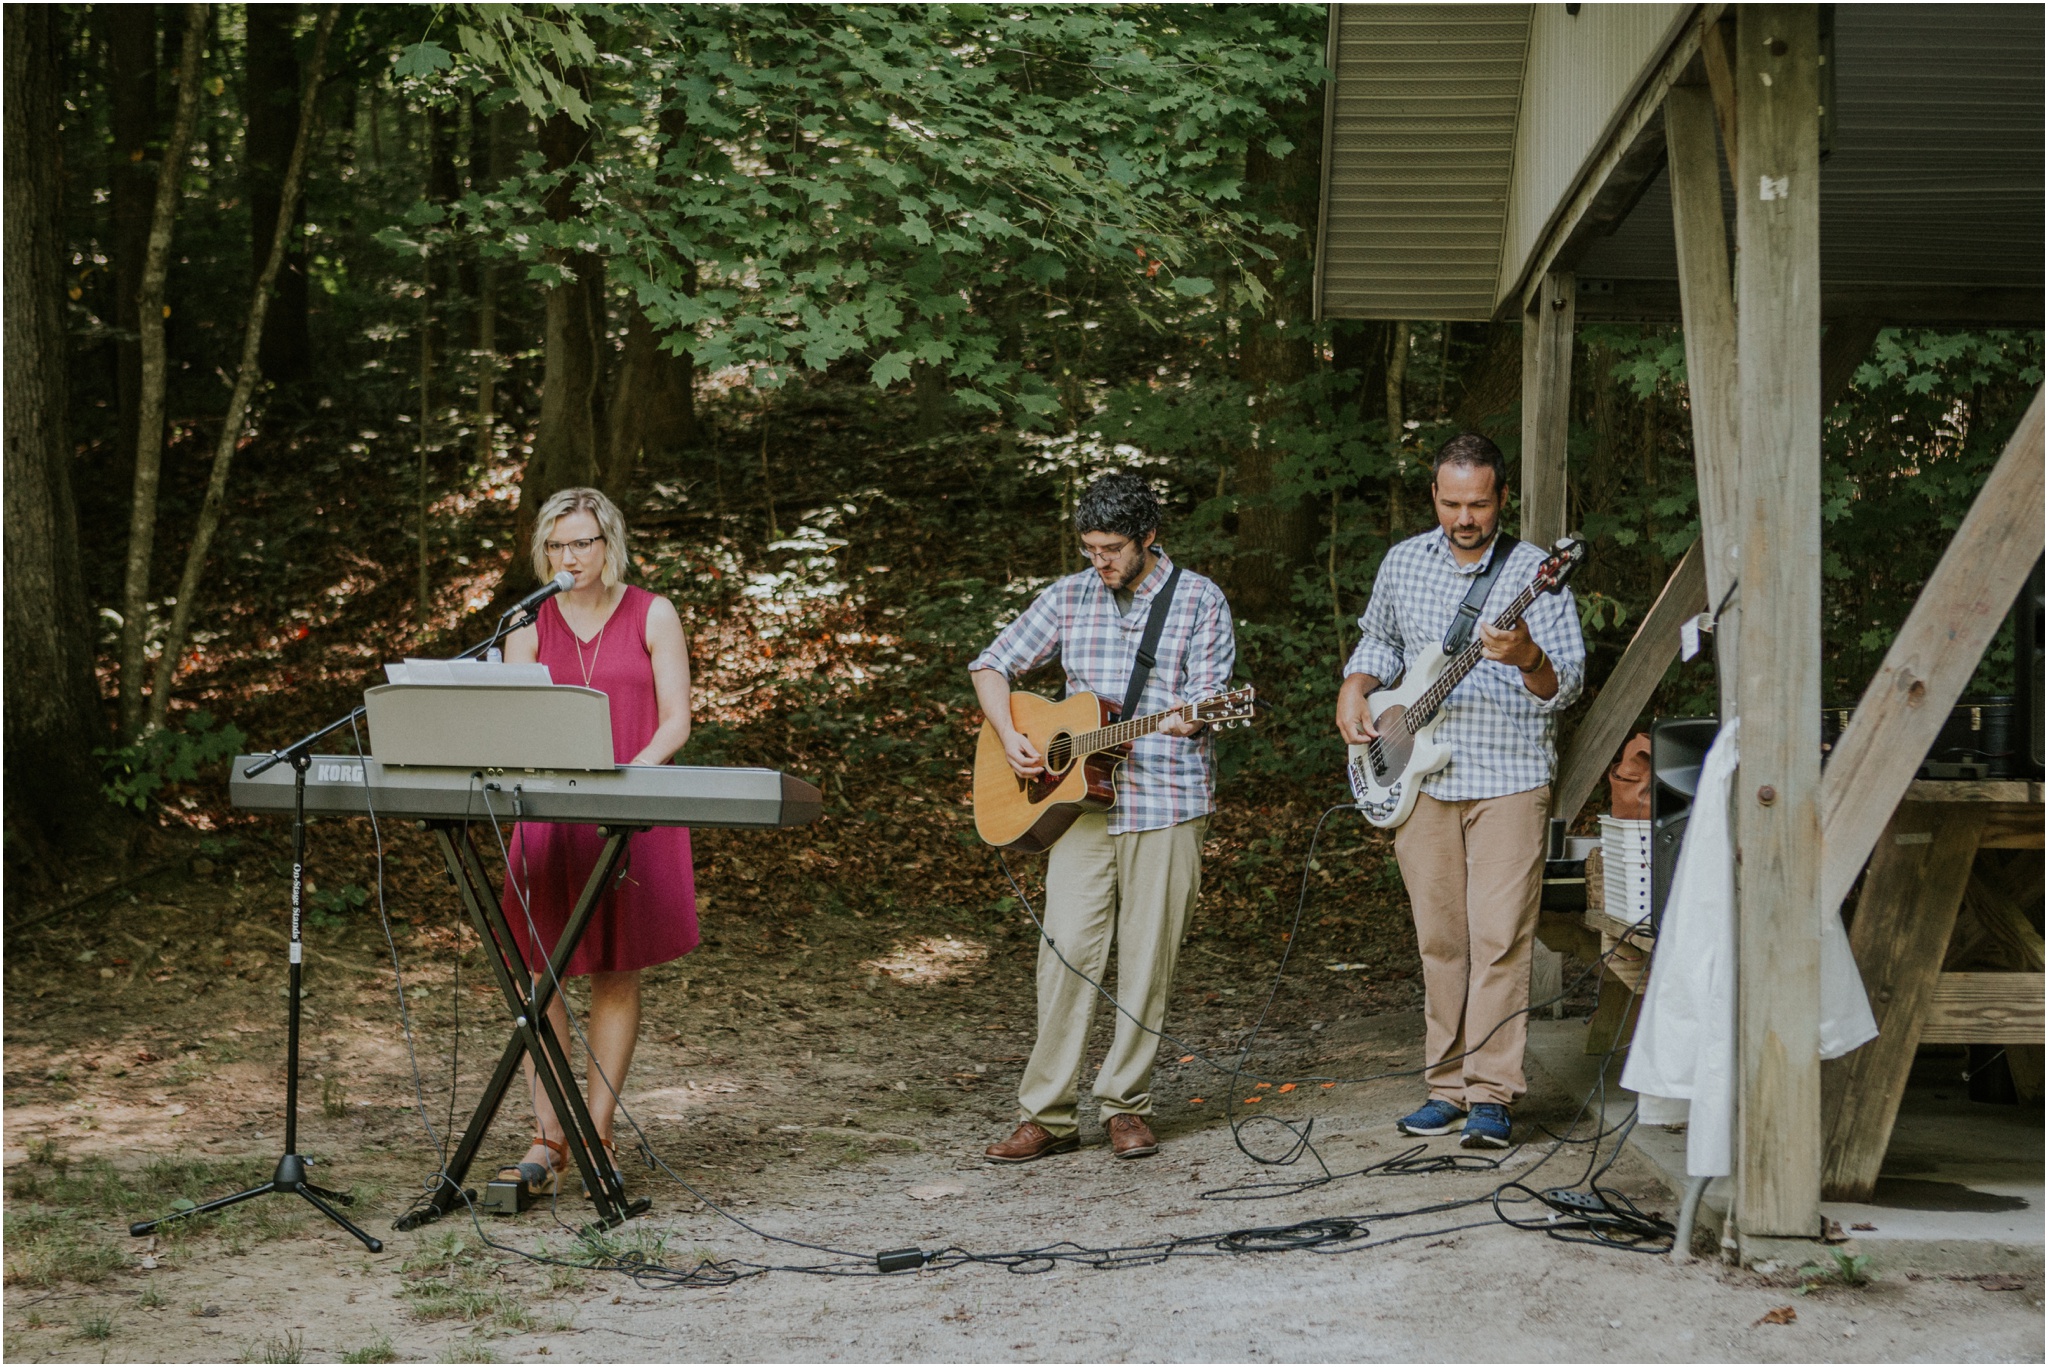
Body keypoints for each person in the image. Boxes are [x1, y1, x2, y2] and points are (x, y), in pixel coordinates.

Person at [970, 471, 1238, 1162]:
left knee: (1148, 960)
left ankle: (1126, 1103)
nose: (1101, 561)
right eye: (1090, 547)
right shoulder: (1069, 594)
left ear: (1149, 537)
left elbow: (1209, 699)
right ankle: (1048, 1113)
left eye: (1113, 548)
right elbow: (990, 665)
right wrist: (1009, 734)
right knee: (1062, 952)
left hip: (1167, 802)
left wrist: (1191, 720)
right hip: (1081, 806)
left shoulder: (1201, 601)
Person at [1334, 433, 1585, 1149]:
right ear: (1434, 497)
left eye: (1478, 503)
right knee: (1440, 940)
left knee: (1500, 937)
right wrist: (1356, 686)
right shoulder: (1403, 562)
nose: (1464, 516)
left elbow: (1564, 683)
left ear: (1502, 497)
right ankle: (1444, 1085)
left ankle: (1492, 1093)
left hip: (1508, 776)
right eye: (1451, 503)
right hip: (1421, 775)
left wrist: (1528, 654)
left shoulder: (1538, 571)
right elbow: (1379, 644)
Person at [495, 487, 697, 1197]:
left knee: (616, 967)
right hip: (548, 813)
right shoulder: (527, 620)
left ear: (609, 543)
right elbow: (517, 721)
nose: (569, 557)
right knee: (535, 970)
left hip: (629, 809)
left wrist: (631, 777)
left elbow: (677, 719)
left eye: (581, 542)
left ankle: (598, 1132)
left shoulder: (653, 611)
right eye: (556, 545)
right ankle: (548, 1134)